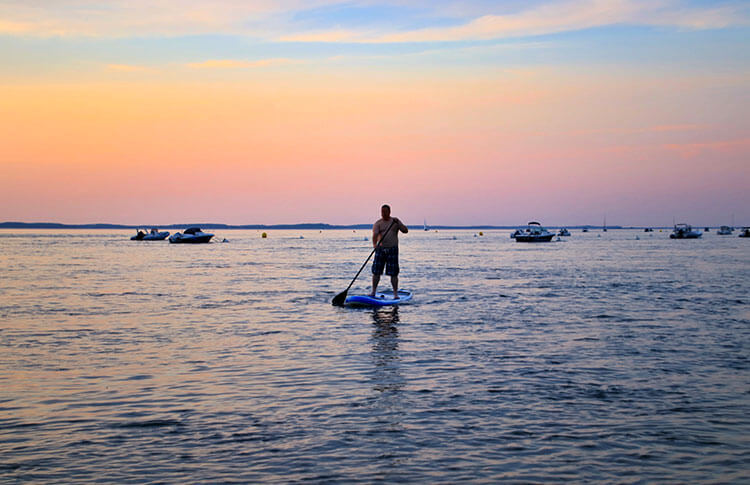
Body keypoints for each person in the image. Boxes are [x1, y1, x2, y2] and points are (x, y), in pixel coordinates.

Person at [370, 204, 408, 297]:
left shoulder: (395, 222)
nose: (383, 214)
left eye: (385, 212)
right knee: (376, 272)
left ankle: (395, 294)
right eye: (382, 212)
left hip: (392, 249)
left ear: (389, 212)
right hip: (381, 250)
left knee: (394, 273)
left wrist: (398, 222)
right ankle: (373, 292)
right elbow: (375, 235)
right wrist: (375, 245)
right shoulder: (378, 223)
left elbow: (405, 230)